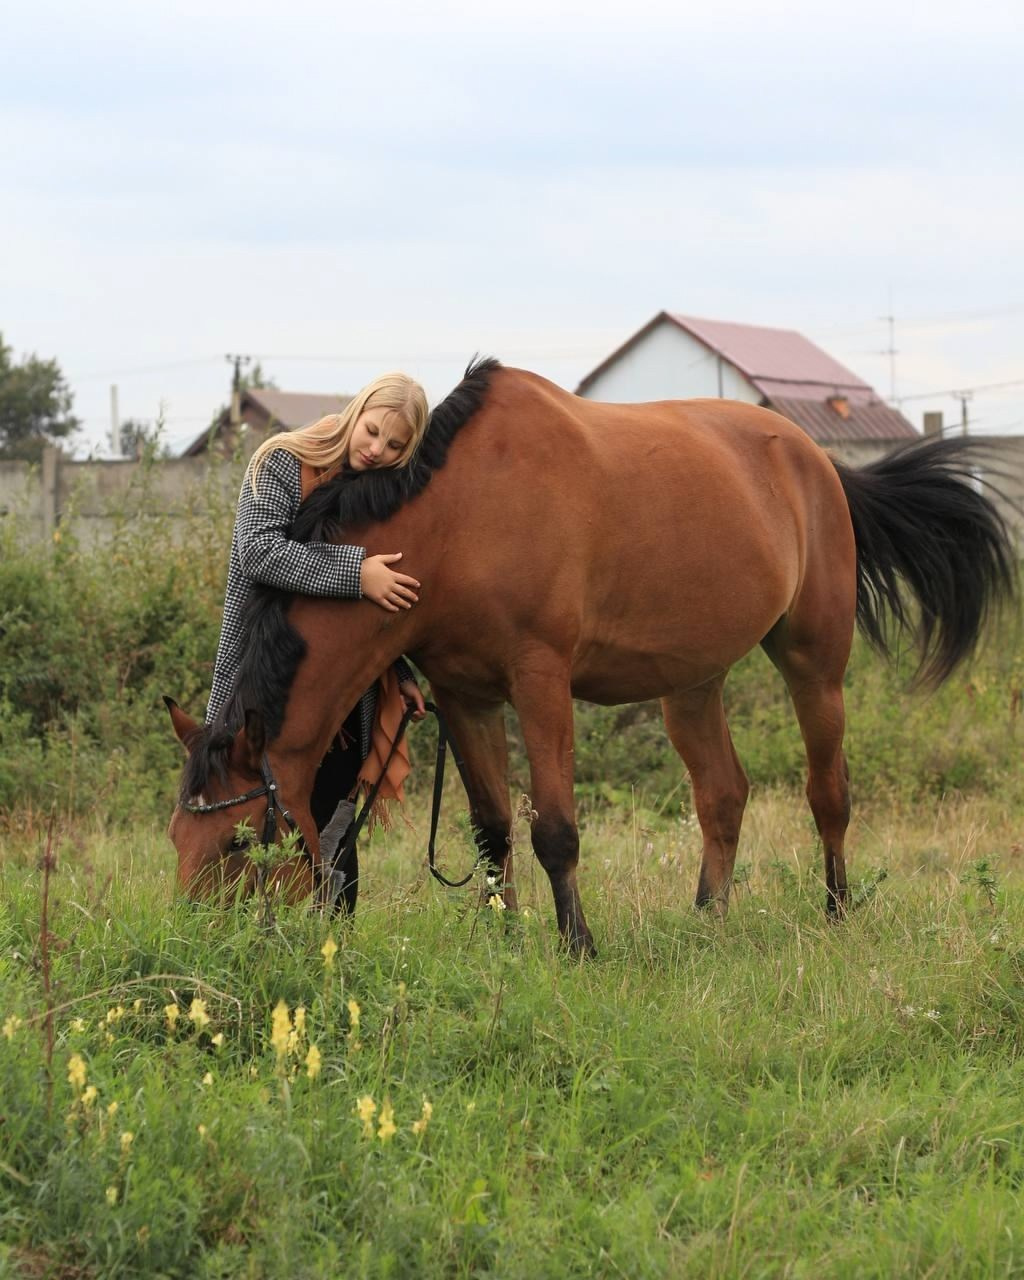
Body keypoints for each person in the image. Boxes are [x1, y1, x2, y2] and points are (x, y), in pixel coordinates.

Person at [205, 371, 430, 896]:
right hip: (265, 677)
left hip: (339, 687)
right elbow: (259, 552)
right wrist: (357, 573)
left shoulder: (379, 491)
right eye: (372, 431)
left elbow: (366, 608)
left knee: (333, 818)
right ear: (357, 412)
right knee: (241, 811)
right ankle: (231, 923)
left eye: (395, 445)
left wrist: (398, 671)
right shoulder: (281, 460)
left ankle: (332, 938)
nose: (376, 450)